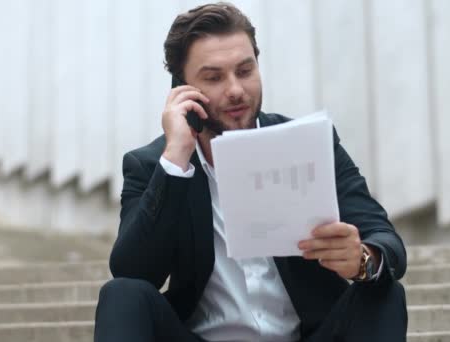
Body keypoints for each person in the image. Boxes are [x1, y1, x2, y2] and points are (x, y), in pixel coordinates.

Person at [94, 2, 407, 341]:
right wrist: (176, 159)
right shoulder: (154, 165)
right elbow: (132, 271)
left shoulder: (309, 143)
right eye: (213, 78)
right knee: (122, 295)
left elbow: (386, 241)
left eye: (245, 71)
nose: (235, 90)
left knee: (384, 291)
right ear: (181, 89)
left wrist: (361, 260)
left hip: (310, 335)